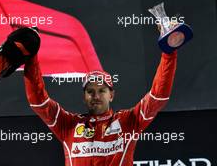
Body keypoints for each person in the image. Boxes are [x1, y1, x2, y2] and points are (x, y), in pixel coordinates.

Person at [23, 38, 177, 165]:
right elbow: (39, 102)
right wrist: (31, 59)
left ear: (111, 95)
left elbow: (158, 97)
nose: (96, 96)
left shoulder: (128, 121)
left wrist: (168, 54)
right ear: (84, 97)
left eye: (102, 90)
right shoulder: (68, 124)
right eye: (90, 91)